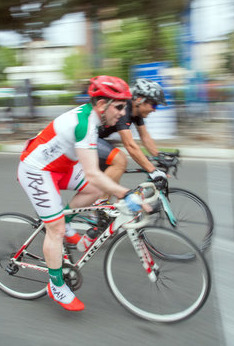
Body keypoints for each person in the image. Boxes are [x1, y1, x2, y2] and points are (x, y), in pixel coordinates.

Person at [17, 75, 148, 312]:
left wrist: (117, 191)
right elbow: (93, 173)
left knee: (97, 189)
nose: (122, 112)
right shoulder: (86, 124)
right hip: (36, 170)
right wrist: (126, 193)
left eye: (124, 107)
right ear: (101, 105)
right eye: (119, 106)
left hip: (60, 166)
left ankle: (64, 223)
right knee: (54, 229)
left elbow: (95, 178)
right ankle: (56, 285)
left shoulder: (94, 116)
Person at [97, 78, 169, 191]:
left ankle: (103, 202)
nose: (155, 110)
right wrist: (153, 171)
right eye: (154, 105)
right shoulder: (124, 109)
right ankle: (101, 202)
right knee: (120, 159)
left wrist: (160, 157)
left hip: (99, 138)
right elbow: (130, 145)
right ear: (140, 100)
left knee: (113, 179)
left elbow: (145, 137)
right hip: (87, 137)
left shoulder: (137, 112)